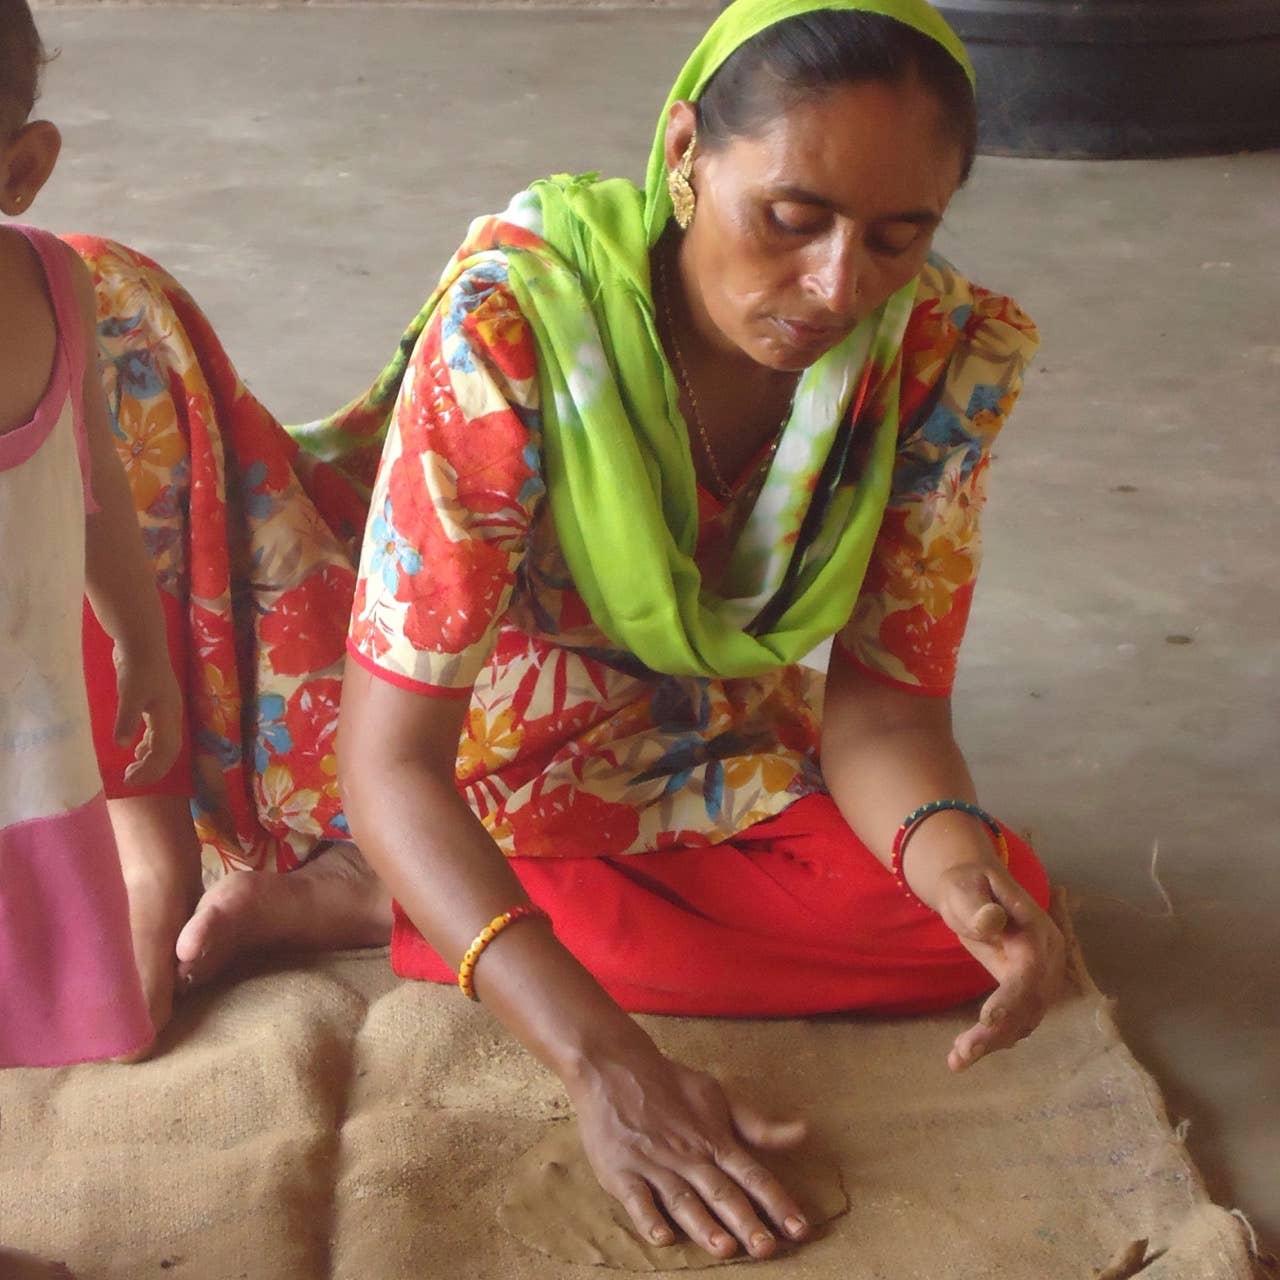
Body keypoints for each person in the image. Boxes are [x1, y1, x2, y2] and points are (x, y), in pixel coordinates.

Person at [72, 0, 1065, 1260]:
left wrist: (945, 860)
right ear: (682, 152)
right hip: (382, 689)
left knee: (982, 908)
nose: (835, 283)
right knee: (96, 312)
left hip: (645, 731)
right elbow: (387, 755)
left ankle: (388, 894)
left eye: (896, 233)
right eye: (790, 217)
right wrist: (602, 1060)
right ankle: (394, 867)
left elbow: (885, 709)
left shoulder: (936, 354)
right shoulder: (523, 320)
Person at [0, 0, 182, 1068]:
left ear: (21, 171)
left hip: (27, 755)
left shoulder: (58, 288)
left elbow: (95, 482)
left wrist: (143, 645)